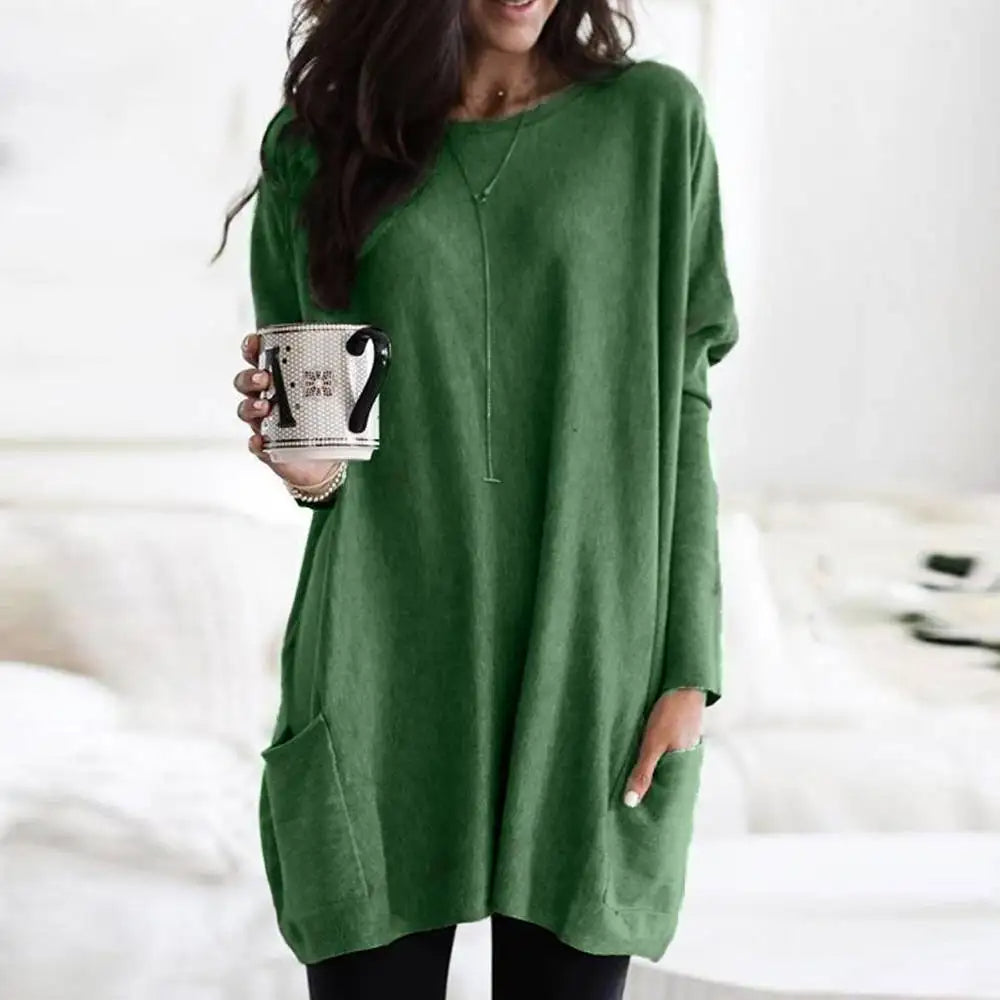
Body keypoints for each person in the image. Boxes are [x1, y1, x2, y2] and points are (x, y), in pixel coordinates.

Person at [221, 0, 739, 996]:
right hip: (382, 653)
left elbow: (683, 400)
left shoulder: (653, 122)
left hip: (590, 649)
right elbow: (322, 433)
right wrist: (306, 471)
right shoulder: (318, 145)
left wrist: (689, 665)